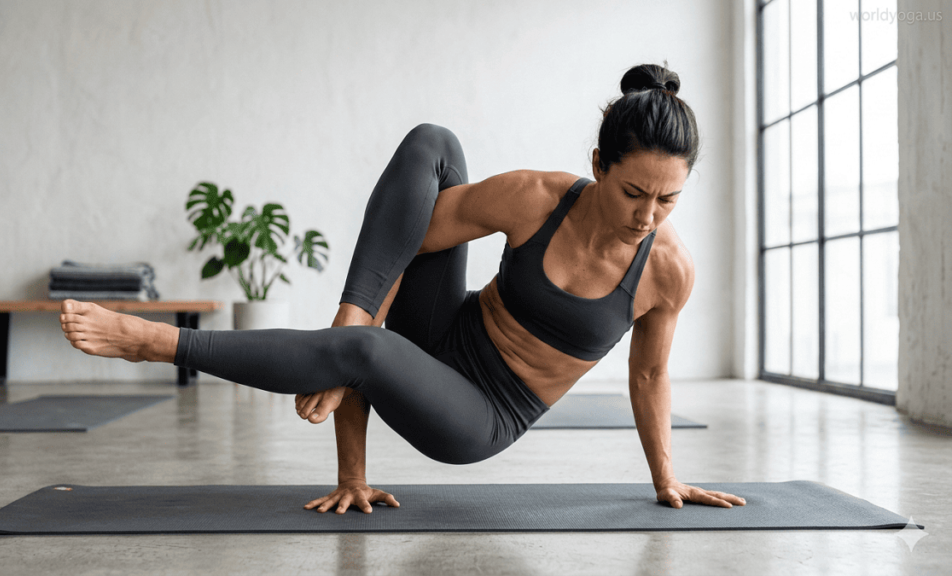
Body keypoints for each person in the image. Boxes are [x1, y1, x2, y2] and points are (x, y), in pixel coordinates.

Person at [59, 63, 746, 516]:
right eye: (633, 192)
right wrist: (351, 476)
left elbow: (649, 375)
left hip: (480, 413)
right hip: (440, 331)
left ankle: (156, 343)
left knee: (366, 348)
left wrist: (666, 479)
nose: (646, 216)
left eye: (668, 200)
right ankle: (345, 325)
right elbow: (399, 249)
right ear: (598, 164)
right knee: (434, 143)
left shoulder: (667, 271)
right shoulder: (535, 198)